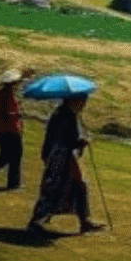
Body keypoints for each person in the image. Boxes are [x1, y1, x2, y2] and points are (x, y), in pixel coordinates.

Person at [28, 94, 102, 235]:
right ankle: (37, 221)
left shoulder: (62, 113)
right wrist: (82, 142)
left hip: (59, 157)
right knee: (56, 188)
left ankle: (84, 221)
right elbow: (69, 141)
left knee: (77, 187)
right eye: (83, 101)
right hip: (63, 159)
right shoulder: (67, 116)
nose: (84, 104)